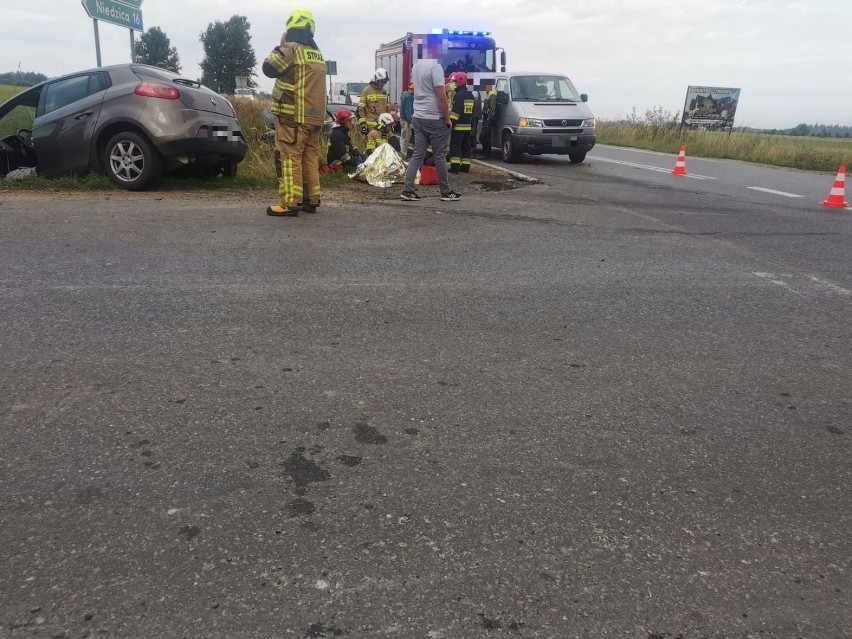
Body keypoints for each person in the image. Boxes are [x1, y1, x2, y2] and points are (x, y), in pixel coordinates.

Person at [262, 8, 326, 216]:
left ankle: (290, 203)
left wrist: (282, 44)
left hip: (293, 117)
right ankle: (311, 199)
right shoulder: (317, 54)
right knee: (309, 158)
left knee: (289, 158)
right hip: (315, 119)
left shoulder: (291, 49)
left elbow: (268, 68)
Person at [400, 59, 461, 202]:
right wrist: (447, 119)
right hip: (433, 117)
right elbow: (440, 95)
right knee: (439, 155)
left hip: (419, 116)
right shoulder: (435, 67)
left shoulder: (416, 67)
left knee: (417, 155)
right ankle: (445, 191)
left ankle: (407, 190)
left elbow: (426, 89)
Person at [448, 71, 475, 174]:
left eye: (454, 82)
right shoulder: (470, 95)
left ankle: (455, 168)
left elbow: (456, 113)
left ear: (460, 81)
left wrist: (450, 123)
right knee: (466, 148)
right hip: (467, 127)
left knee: (455, 147)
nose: (452, 84)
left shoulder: (459, 96)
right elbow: (472, 112)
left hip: (458, 127)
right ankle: (465, 167)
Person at [358, 68, 390, 138]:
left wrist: (389, 122)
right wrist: (363, 124)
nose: (383, 84)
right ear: (376, 80)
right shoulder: (367, 91)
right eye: (382, 82)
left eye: (385, 82)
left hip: (382, 125)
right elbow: (361, 108)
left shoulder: (384, 92)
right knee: (371, 145)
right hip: (371, 125)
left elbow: (387, 108)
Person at [478, 88, 497, 159]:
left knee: (483, 137)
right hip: (486, 118)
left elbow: (492, 108)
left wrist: (489, 118)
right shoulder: (488, 92)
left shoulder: (492, 93)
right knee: (487, 137)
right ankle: (487, 155)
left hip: (489, 119)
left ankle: (487, 153)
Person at [399, 82, 414, 158]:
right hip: (406, 120)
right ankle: (404, 152)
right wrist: (410, 121)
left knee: (403, 135)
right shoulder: (409, 97)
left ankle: (402, 151)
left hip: (403, 119)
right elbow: (408, 110)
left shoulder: (404, 95)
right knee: (406, 136)